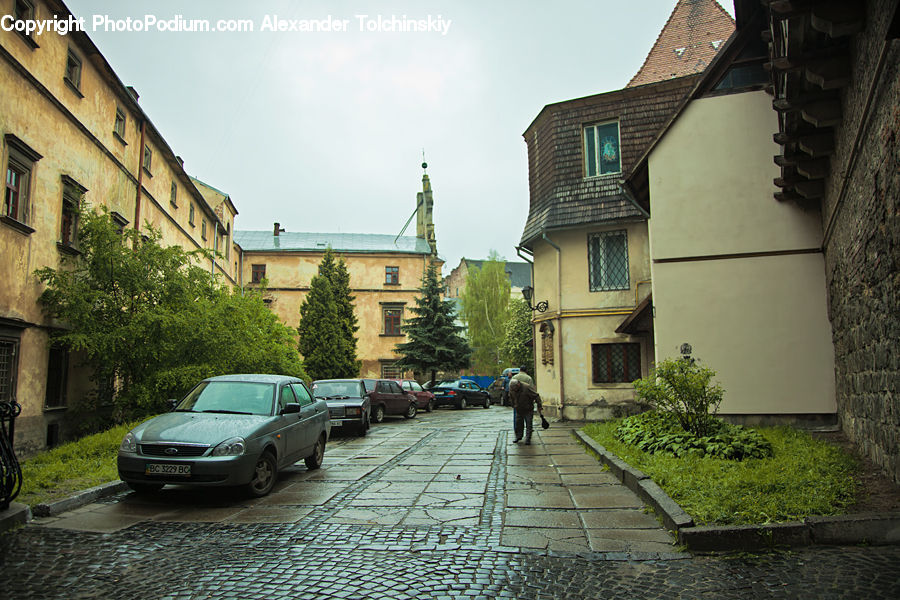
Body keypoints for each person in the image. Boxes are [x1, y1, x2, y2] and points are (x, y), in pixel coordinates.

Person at [508, 367, 542, 445]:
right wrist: (513, 405)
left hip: (528, 408)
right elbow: (511, 397)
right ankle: (518, 437)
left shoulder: (526, 387)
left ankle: (528, 439)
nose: (514, 390)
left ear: (518, 384)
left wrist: (539, 406)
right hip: (519, 408)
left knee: (529, 424)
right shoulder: (512, 388)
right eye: (513, 389)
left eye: (515, 388)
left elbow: (536, 395)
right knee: (518, 423)